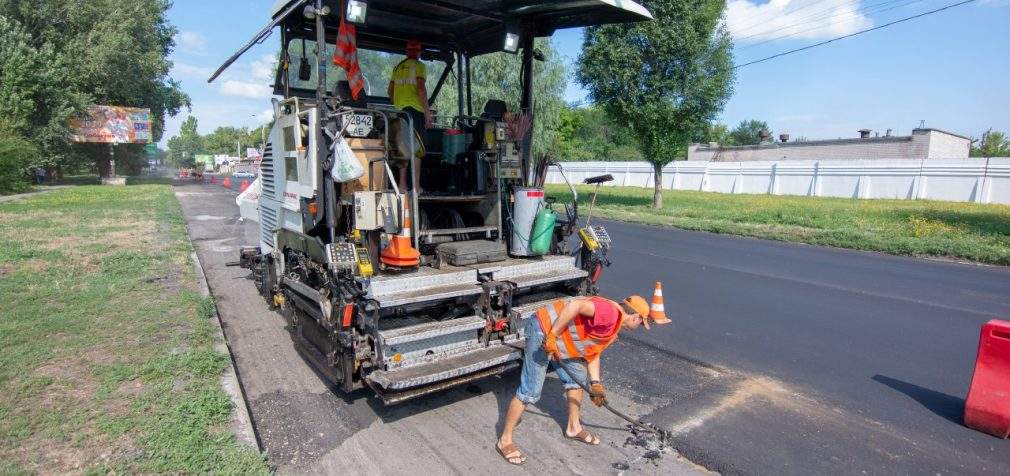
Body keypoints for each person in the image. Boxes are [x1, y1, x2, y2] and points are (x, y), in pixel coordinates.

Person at [496, 294, 666, 465]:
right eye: (641, 323)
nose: (639, 327)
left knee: (577, 379)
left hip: (561, 337)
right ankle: (505, 440)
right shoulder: (610, 313)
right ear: (635, 316)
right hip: (544, 328)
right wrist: (553, 335)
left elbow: (592, 353)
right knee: (530, 391)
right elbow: (575, 305)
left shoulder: (614, 327)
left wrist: (596, 384)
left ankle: (573, 428)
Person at [387, 40, 431, 191]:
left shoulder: (398, 68)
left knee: (403, 148)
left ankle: (402, 185)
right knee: (418, 150)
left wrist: (398, 103)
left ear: (407, 51)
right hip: (415, 112)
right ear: (419, 53)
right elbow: (421, 88)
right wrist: (427, 113)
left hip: (400, 112)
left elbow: (389, 92)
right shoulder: (419, 66)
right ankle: (416, 186)